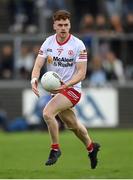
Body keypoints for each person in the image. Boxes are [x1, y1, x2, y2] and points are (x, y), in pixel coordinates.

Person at [31, 10, 100, 169]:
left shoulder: (78, 45)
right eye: (60, 25)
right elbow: (38, 65)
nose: (63, 28)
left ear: (70, 25)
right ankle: (91, 147)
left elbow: (82, 73)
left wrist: (66, 85)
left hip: (72, 89)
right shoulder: (48, 42)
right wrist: (34, 79)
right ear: (54, 25)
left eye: (66, 25)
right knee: (73, 126)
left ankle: (55, 149)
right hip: (57, 91)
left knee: (47, 113)